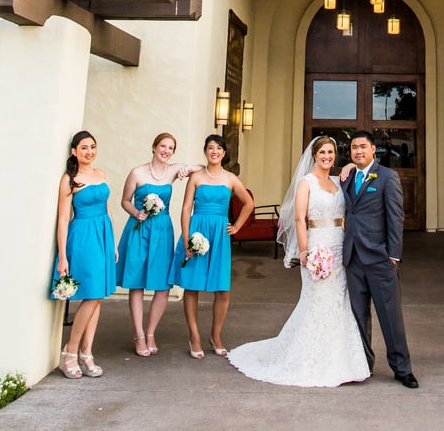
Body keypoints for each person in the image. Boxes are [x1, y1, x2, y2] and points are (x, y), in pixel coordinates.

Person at [227, 135, 370, 386]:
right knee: (316, 301)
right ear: (314, 155)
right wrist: (305, 252)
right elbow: (299, 219)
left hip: (340, 247)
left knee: (339, 302)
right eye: (322, 152)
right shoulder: (306, 183)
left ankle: (337, 359)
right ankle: (308, 358)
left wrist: (349, 165)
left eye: (331, 152)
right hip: (317, 246)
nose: (327, 156)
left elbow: (352, 183)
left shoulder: (338, 181)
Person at [342, 129, 418, 388]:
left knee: (390, 316)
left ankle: (402, 368)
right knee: (358, 317)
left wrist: (393, 256)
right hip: (353, 259)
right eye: (354, 148)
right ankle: (363, 364)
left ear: (373, 149)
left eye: (363, 147)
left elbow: (396, 217)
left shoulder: (387, 177)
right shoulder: (347, 177)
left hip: (380, 259)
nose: (358, 151)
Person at [115, 132, 202, 355]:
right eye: (163, 146)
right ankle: (138, 335)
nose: (166, 151)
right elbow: (125, 200)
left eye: (171, 148)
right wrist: (136, 212)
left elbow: (201, 168)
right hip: (139, 229)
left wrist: (186, 170)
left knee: (163, 286)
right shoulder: (137, 172)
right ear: (154, 147)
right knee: (137, 283)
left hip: (163, 230)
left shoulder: (172, 170)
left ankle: (151, 332)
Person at [169, 133, 253, 358]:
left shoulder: (231, 179)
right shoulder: (196, 177)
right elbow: (186, 208)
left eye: (218, 148)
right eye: (210, 148)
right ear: (205, 151)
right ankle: (194, 336)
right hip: (197, 231)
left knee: (222, 289)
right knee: (192, 285)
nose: (214, 151)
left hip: (220, 236)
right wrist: (186, 237)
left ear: (224, 153)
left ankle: (215, 336)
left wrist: (237, 227)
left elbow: (248, 203)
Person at [51, 130, 117, 379]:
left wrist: (113, 244)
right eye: (84, 148)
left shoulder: (100, 175)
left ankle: (86, 352)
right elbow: (63, 219)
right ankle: (70, 351)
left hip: (103, 236)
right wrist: (63, 256)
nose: (89, 152)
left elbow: (107, 210)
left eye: (92, 147)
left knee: (98, 296)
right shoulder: (70, 180)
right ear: (74, 152)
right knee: (92, 294)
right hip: (83, 237)